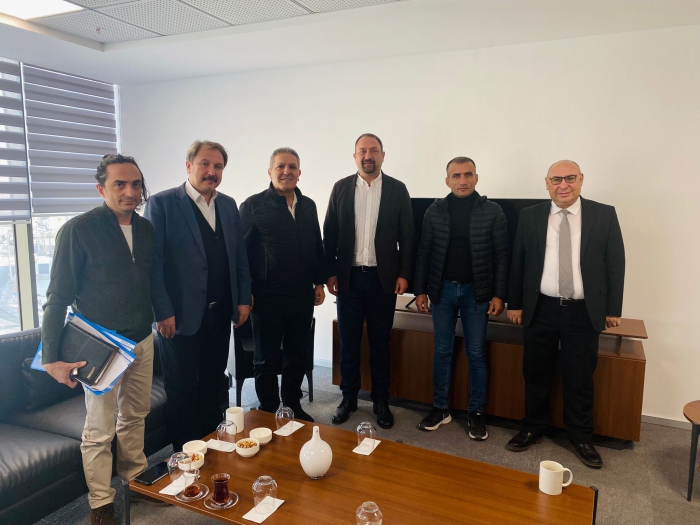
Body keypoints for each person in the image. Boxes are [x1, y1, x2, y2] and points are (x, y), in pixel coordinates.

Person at [42, 155, 159, 525]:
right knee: (99, 431)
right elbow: (57, 297)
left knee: (136, 416)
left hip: (142, 340)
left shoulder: (146, 229)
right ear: (100, 189)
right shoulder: (78, 230)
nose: (130, 192)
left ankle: (135, 481)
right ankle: (100, 503)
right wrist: (51, 357)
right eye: (119, 184)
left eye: (136, 184)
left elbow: (150, 282)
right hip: (101, 346)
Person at [506, 160, 625, 468]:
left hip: (583, 311)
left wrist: (613, 309)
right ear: (547, 183)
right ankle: (533, 427)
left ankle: (581, 437)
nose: (563, 185)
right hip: (540, 308)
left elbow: (616, 263)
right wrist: (514, 303)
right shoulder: (530, 215)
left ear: (581, 179)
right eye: (556, 179)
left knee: (579, 377)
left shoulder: (603, 214)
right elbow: (518, 261)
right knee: (535, 373)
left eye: (570, 178)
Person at [145, 140, 252, 453]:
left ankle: (211, 446)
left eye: (218, 166)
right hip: (179, 317)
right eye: (205, 164)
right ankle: (186, 455)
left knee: (213, 381)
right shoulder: (163, 204)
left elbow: (239, 256)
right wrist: (161, 311)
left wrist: (243, 298)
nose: (211, 172)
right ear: (189, 165)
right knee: (182, 388)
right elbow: (154, 264)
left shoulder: (228, 205)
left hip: (220, 313)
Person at [413, 156, 509, 440]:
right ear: (447, 181)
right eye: (456, 176)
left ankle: (475, 412)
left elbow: (502, 256)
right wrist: (420, 290)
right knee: (442, 351)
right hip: (441, 291)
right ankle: (440, 408)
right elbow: (424, 252)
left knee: (476, 353)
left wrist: (500, 294)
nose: (463, 180)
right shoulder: (435, 211)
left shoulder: (493, 211)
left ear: (476, 178)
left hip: (476, 293)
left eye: (468, 175)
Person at [324, 133, 414, 429]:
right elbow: (330, 233)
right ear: (355, 156)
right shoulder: (341, 188)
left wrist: (404, 274)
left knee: (380, 343)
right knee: (348, 343)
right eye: (362, 151)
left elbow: (408, 236)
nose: (368, 156)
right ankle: (348, 398)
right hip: (348, 279)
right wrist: (330, 272)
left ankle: (380, 401)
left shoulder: (397, 189)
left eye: (373, 150)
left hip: (382, 280)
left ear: (382, 155)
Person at [239, 147, 325, 422]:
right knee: (265, 358)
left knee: (297, 353)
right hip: (266, 296)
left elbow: (316, 245)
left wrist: (319, 282)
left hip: (302, 294)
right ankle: (268, 409)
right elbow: (241, 253)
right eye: (280, 166)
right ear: (270, 172)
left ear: (299, 173)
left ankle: (291, 405)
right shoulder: (252, 206)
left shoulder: (308, 205)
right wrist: (246, 291)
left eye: (292, 167)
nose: (286, 171)